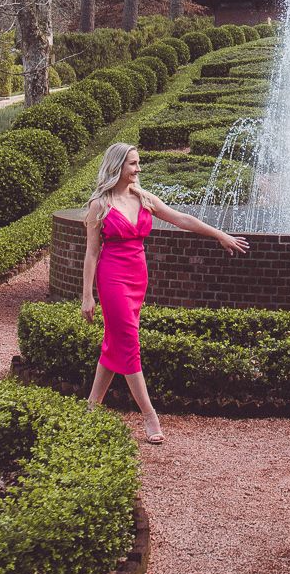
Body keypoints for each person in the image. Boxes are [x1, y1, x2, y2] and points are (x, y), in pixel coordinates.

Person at [82, 142, 249, 443]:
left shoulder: (143, 198)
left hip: (137, 276)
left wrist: (219, 235)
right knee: (129, 342)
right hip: (112, 278)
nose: (138, 168)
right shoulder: (100, 204)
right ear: (117, 166)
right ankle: (149, 415)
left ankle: (91, 407)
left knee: (116, 342)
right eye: (133, 163)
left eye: (138, 162)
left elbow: (181, 219)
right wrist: (87, 295)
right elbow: (92, 253)